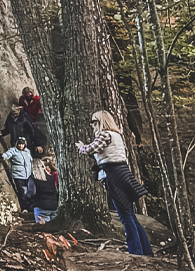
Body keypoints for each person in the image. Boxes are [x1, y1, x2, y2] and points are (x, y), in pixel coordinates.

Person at [76, 109, 153, 256]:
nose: (92, 125)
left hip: (114, 175)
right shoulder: (116, 135)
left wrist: (81, 147)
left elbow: (92, 149)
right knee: (130, 214)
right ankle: (145, 250)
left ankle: (136, 251)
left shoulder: (104, 134)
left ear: (100, 122)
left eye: (93, 122)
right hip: (122, 173)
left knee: (125, 216)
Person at [0, 137, 35, 213]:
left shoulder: (27, 151)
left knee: (28, 192)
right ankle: (23, 208)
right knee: (21, 192)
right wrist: (3, 156)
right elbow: (7, 154)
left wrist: (32, 172)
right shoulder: (13, 150)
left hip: (27, 175)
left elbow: (30, 162)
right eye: (19, 144)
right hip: (18, 175)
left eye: (22, 144)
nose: (21, 146)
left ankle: (28, 207)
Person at [30, 158, 59, 223]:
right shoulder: (51, 178)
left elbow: (31, 193)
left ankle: (42, 223)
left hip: (41, 206)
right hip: (54, 205)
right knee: (52, 227)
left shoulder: (33, 178)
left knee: (41, 229)